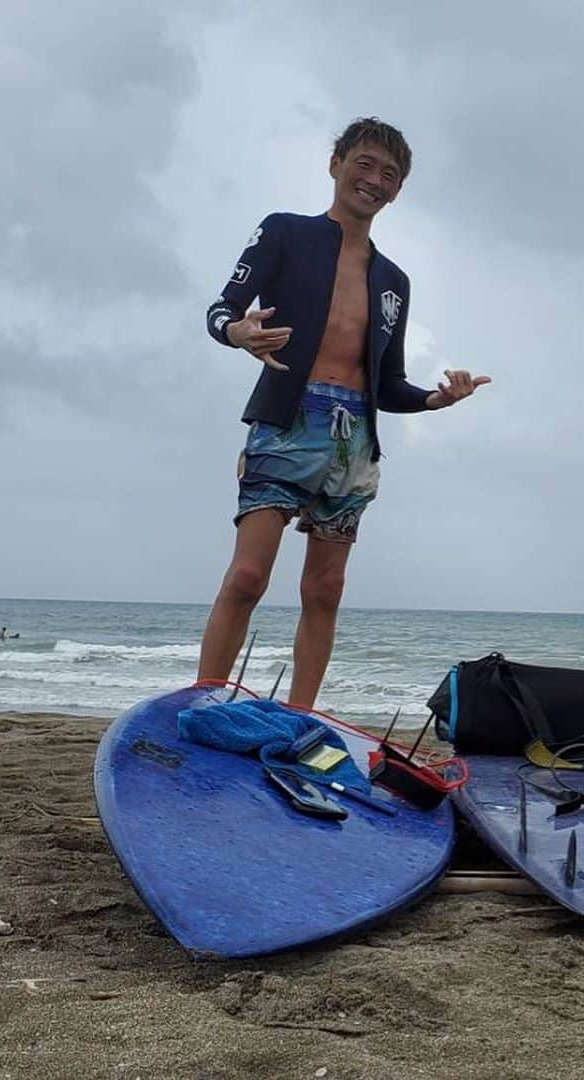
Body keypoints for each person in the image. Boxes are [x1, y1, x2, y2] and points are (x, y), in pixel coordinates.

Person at [199, 117, 489, 708]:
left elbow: (389, 385)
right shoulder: (283, 232)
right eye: (364, 163)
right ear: (336, 163)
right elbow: (220, 308)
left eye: (389, 174)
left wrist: (438, 398)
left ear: (398, 189)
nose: (373, 180)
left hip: (354, 435)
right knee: (248, 576)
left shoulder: (393, 280)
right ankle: (200, 698)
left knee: (325, 589)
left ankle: (300, 715)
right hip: (287, 421)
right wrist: (236, 331)